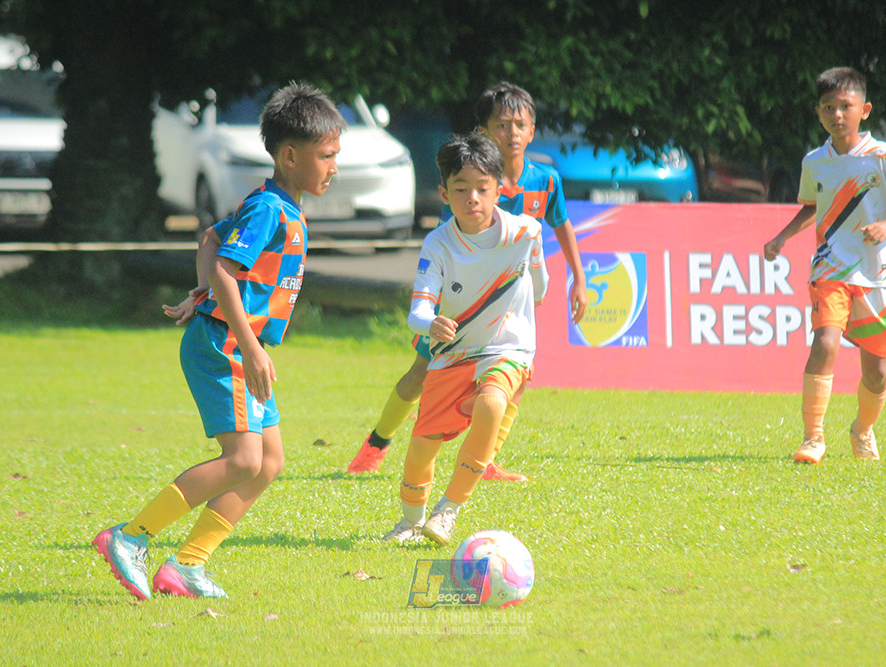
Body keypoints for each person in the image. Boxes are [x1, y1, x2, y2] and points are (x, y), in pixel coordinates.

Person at [92, 82, 344, 600]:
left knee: (268, 463)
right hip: (225, 346)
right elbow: (229, 268)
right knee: (244, 461)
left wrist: (203, 291)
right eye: (327, 156)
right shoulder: (270, 210)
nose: (334, 166)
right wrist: (248, 341)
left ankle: (187, 565)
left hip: (236, 342)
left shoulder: (277, 206)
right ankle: (129, 537)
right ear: (290, 155)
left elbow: (210, 239)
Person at [348, 82, 586, 481]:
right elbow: (444, 248)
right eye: (502, 124)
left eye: (520, 124)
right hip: (461, 305)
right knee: (419, 376)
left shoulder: (546, 181)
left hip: (509, 305)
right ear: (483, 131)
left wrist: (578, 279)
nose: (511, 133)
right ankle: (377, 442)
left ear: (532, 130)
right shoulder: (467, 186)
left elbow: (561, 226)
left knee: (517, 374)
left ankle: (486, 458)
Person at [383, 131, 548, 546]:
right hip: (451, 355)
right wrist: (430, 323)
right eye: (461, 189)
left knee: (494, 403)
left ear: (500, 190)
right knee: (422, 449)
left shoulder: (525, 232)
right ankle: (409, 523)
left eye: (482, 188)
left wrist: (536, 286)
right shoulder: (438, 243)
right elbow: (418, 310)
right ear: (443, 193)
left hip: (507, 348)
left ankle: (448, 510)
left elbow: (541, 286)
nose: (472, 198)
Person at [763, 66, 886, 464]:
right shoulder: (816, 161)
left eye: (845, 106)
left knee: (878, 372)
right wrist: (783, 237)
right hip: (830, 268)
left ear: (864, 109)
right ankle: (813, 438)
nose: (837, 114)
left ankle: (862, 431)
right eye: (828, 107)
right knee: (825, 342)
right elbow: (812, 208)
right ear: (818, 113)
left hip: (877, 273)